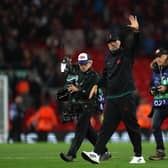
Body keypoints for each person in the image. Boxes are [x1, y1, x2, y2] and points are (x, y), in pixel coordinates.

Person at [81, 15, 146, 164]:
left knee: (131, 127)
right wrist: (97, 85)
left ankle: (138, 155)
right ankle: (96, 154)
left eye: (114, 41)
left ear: (119, 42)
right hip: (112, 98)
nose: (112, 44)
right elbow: (104, 77)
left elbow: (135, 45)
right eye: (109, 43)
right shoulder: (108, 59)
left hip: (125, 96)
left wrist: (136, 32)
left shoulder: (126, 54)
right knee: (106, 128)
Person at [59, 52, 111, 162]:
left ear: (90, 63)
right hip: (79, 105)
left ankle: (71, 155)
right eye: (81, 64)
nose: (83, 66)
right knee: (88, 132)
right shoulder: (78, 70)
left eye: (85, 63)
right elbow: (63, 71)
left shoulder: (94, 76)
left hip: (90, 104)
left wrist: (77, 89)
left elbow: (89, 94)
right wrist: (63, 63)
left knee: (80, 130)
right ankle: (104, 151)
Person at [148, 48, 168, 160]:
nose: (158, 58)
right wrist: (151, 90)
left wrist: (166, 88)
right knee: (155, 126)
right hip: (159, 103)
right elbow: (151, 84)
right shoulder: (155, 70)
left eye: (161, 56)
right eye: (156, 56)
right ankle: (160, 152)